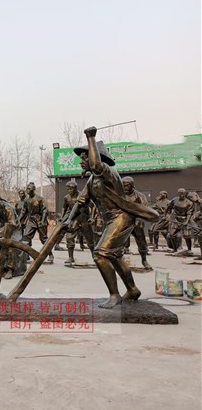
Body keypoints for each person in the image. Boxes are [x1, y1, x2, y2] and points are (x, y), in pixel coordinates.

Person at [67, 127, 159, 308]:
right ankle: (132, 290)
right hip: (111, 220)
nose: (81, 162)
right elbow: (81, 201)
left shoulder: (107, 172)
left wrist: (91, 138)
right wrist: (69, 219)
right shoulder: (92, 180)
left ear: (95, 157)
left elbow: (96, 165)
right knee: (115, 256)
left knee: (100, 254)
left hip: (121, 218)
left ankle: (114, 295)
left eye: (84, 158)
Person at [122, 177, 152, 270]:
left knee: (141, 241)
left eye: (127, 185)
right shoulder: (119, 195)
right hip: (123, 221)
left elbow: (145, 209)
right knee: (119, 241)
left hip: (136, 221)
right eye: (123, 185)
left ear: (132, 185)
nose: (125, 187)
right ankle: (120, 260)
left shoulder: (139, 196)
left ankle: (144, 260)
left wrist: (139, 218)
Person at [60, 181, 94, 264]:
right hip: (73, 219)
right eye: (68, 189)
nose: (69, 191)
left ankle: (95, 257)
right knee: (69, 237)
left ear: (75, 188)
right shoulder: (66, 197)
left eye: (71, 189)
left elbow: (92, 206)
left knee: (90, 239)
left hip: (84, 218)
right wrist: (62, 217)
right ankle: (70, 257)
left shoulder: (82, 195)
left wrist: (92, 217)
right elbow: (64, 208)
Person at [21, 182, 53, 263]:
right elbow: (24, 211)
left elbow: (45, 210)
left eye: (29, 189)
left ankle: (50, 255)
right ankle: (27, 255)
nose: (27, 190)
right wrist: (18, 219)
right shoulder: (26, 200)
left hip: (40, 220)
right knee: (26, 237)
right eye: (27, 188)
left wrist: (43, 220)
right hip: (31, 220)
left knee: (44, 239)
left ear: (34, 189)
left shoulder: (40, 199)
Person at [166, 188, 194, 255]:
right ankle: (175, 249)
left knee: (187, 236)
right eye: (180, 193)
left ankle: (189, 249)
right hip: (176, 219)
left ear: (185, 193)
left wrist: (186, 221)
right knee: (172, 234)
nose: (181, 194)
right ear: (178, 193)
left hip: (185, 219)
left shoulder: (189, 202)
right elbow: (169, 207)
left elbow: (189, 213)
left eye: (182, 193)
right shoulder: (174, 200)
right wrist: (168, 215)